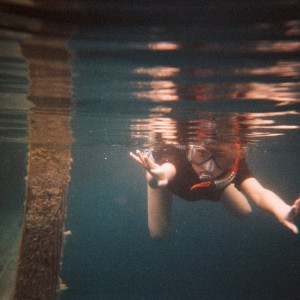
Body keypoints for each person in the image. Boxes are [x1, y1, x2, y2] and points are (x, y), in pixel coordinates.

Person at [130, 141, 300, 241]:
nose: (209, 167)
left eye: (223, 158)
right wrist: (157, 178)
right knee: (158, 234)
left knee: (245, 212)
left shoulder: (235, 168)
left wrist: (281, 209)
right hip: (167, 181)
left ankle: (221, 186)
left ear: (234, 155)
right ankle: (159, 181)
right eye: (201, 154)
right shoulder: (177, 158)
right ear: (190, 150)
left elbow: (259, 193)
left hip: (215, 186)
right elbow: (167, 169)